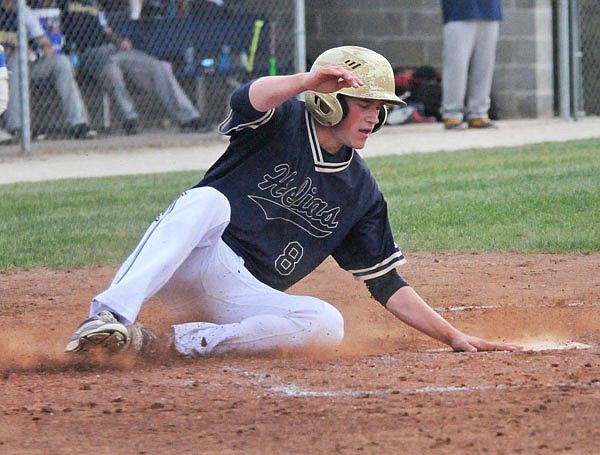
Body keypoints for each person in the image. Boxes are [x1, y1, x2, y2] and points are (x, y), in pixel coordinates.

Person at [64, 45, 519, 357]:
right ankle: (107, 316)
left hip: (238, 297)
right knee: (207, 201)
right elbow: (248, 96)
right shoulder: (281, 119)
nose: (374, 117)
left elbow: (387, 284)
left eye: (379, 109)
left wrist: (453, 336)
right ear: (330, 102)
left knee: (327, 322)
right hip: (194, 258)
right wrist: (305, 81)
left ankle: (165, 343)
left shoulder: (361, 191)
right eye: (364, 104)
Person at [59, 0, 207, 135]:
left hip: (112, 48)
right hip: (88, 53)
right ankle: (130, 119)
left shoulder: (93, 4)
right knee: (111, 69)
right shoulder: (63, 4)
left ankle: (189, 117)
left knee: (157, 67)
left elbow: (106, 29)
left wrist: (119, 40)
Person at [0, 0, 96, 141]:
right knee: (14, 61)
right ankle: (17, 127)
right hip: (6, 67)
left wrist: (39, 52)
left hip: (26, 65)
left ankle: (78, 122)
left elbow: (45, 43)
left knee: (61, 62)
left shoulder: (24, 11)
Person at [440, 0, 502, 130]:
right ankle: (452, 113)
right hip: (459, 11)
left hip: (489, 9)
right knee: (456, 66)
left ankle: (478, 113)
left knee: (484, 65)